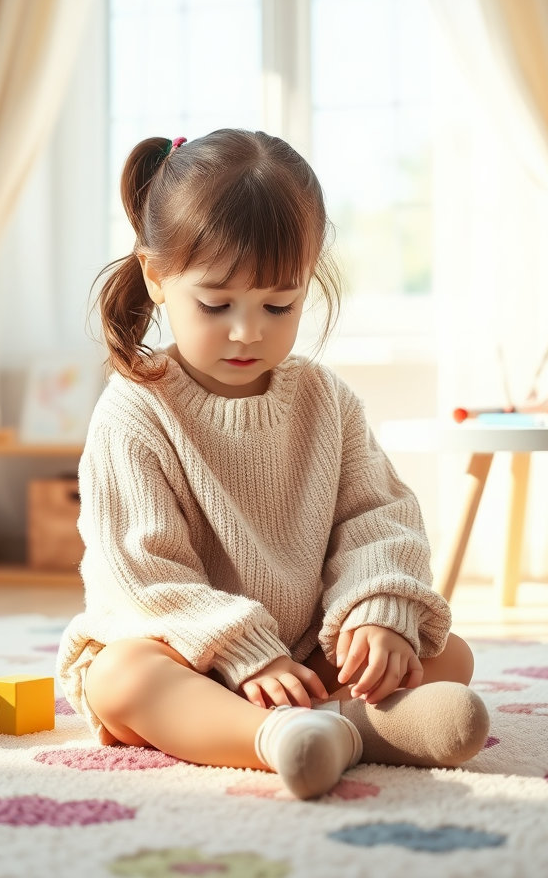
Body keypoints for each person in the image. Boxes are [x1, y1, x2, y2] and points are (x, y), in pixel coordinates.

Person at [57, 129, 489, 799]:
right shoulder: (134, 412)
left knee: (443, 651)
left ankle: (333, 728)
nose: (247, 331)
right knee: (122, 679)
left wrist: (375, 613)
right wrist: (236, 648)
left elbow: (377, 519)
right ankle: (281, 737)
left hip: (303, 653)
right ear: (155, 276)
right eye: (217, 304)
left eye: (278, 305)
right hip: (188, 652)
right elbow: (141, 578)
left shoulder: (326, 400)